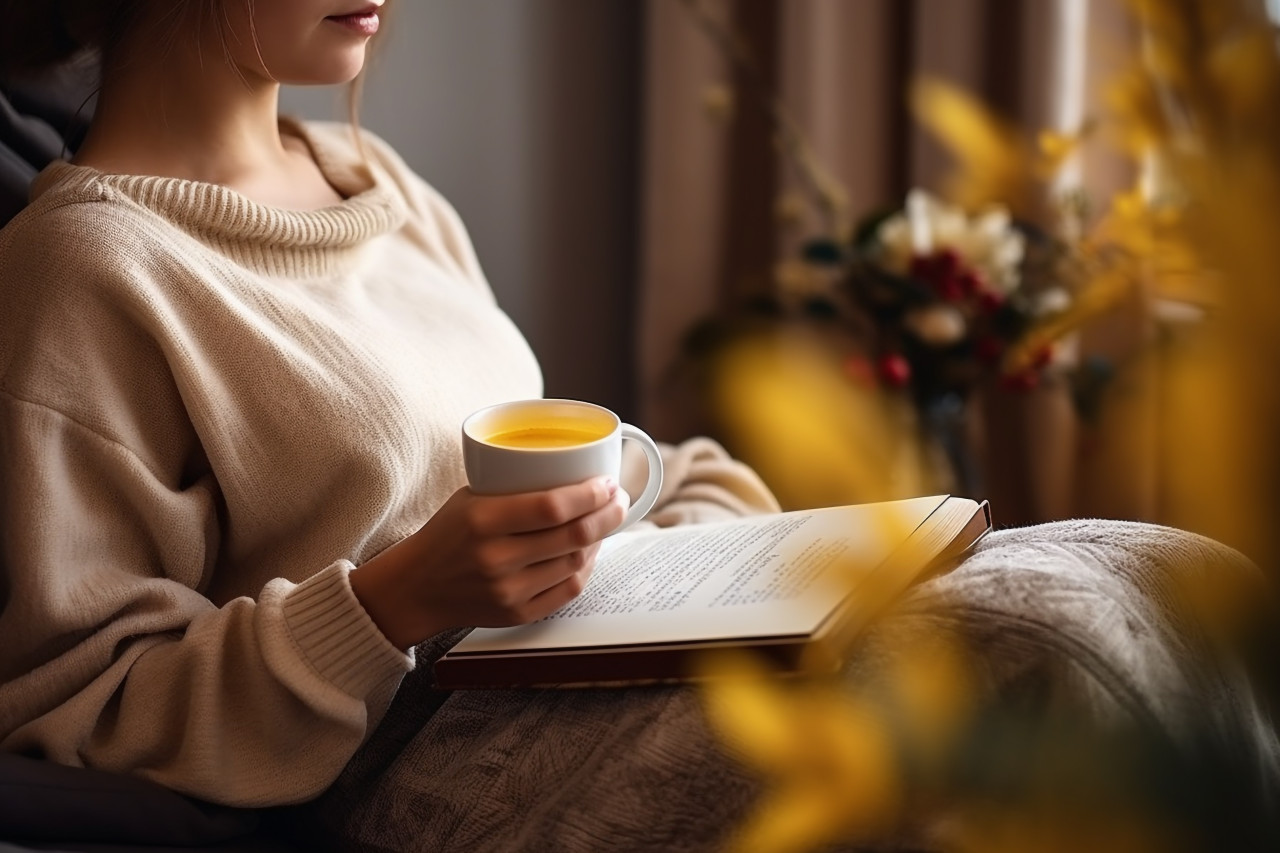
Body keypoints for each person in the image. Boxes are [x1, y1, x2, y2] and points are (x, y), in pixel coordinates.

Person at [0, 0, 779, 811]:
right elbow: (88, 711)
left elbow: (554, 478)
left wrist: (709, 529)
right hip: (466, 775)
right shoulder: (83, 271)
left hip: (596, 665)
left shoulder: (376, 179)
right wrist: (393, 601)